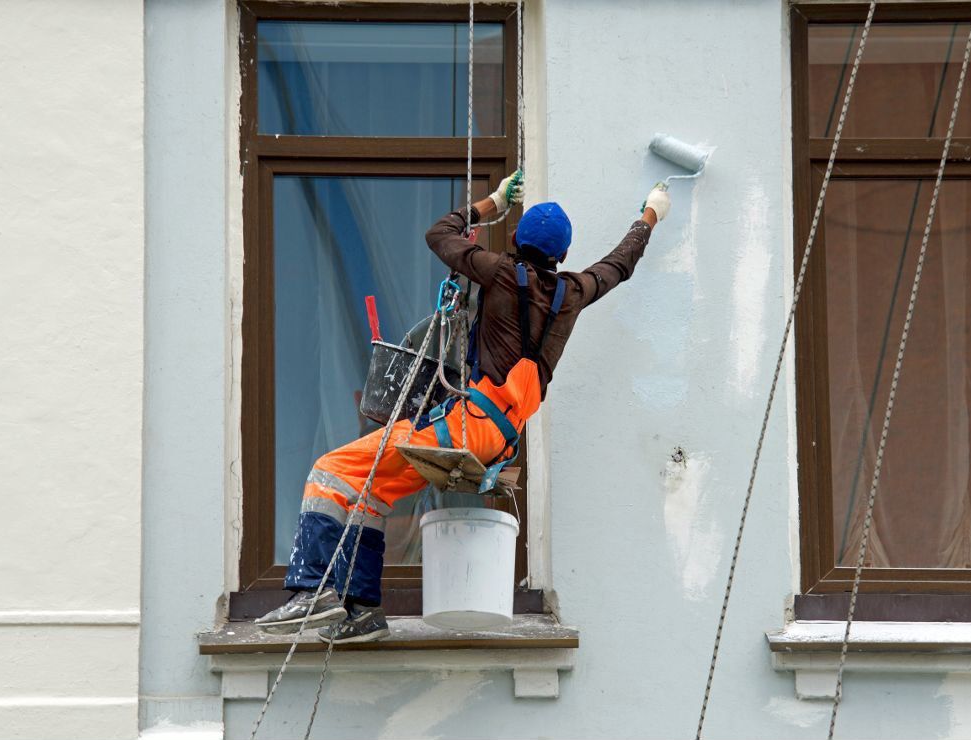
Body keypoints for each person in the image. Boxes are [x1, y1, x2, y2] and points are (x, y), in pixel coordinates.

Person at [256, 172, 672, 643]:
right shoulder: (572, 293)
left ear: (515, 239)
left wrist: (491, 203)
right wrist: (650, 216)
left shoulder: (496, 272)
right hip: (499, 439)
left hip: (465, 426)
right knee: (371, 490)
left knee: (331, 470)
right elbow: (619, 265)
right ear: (563, 256)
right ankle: (364, 610)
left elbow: (438, 234)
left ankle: (313, 590)